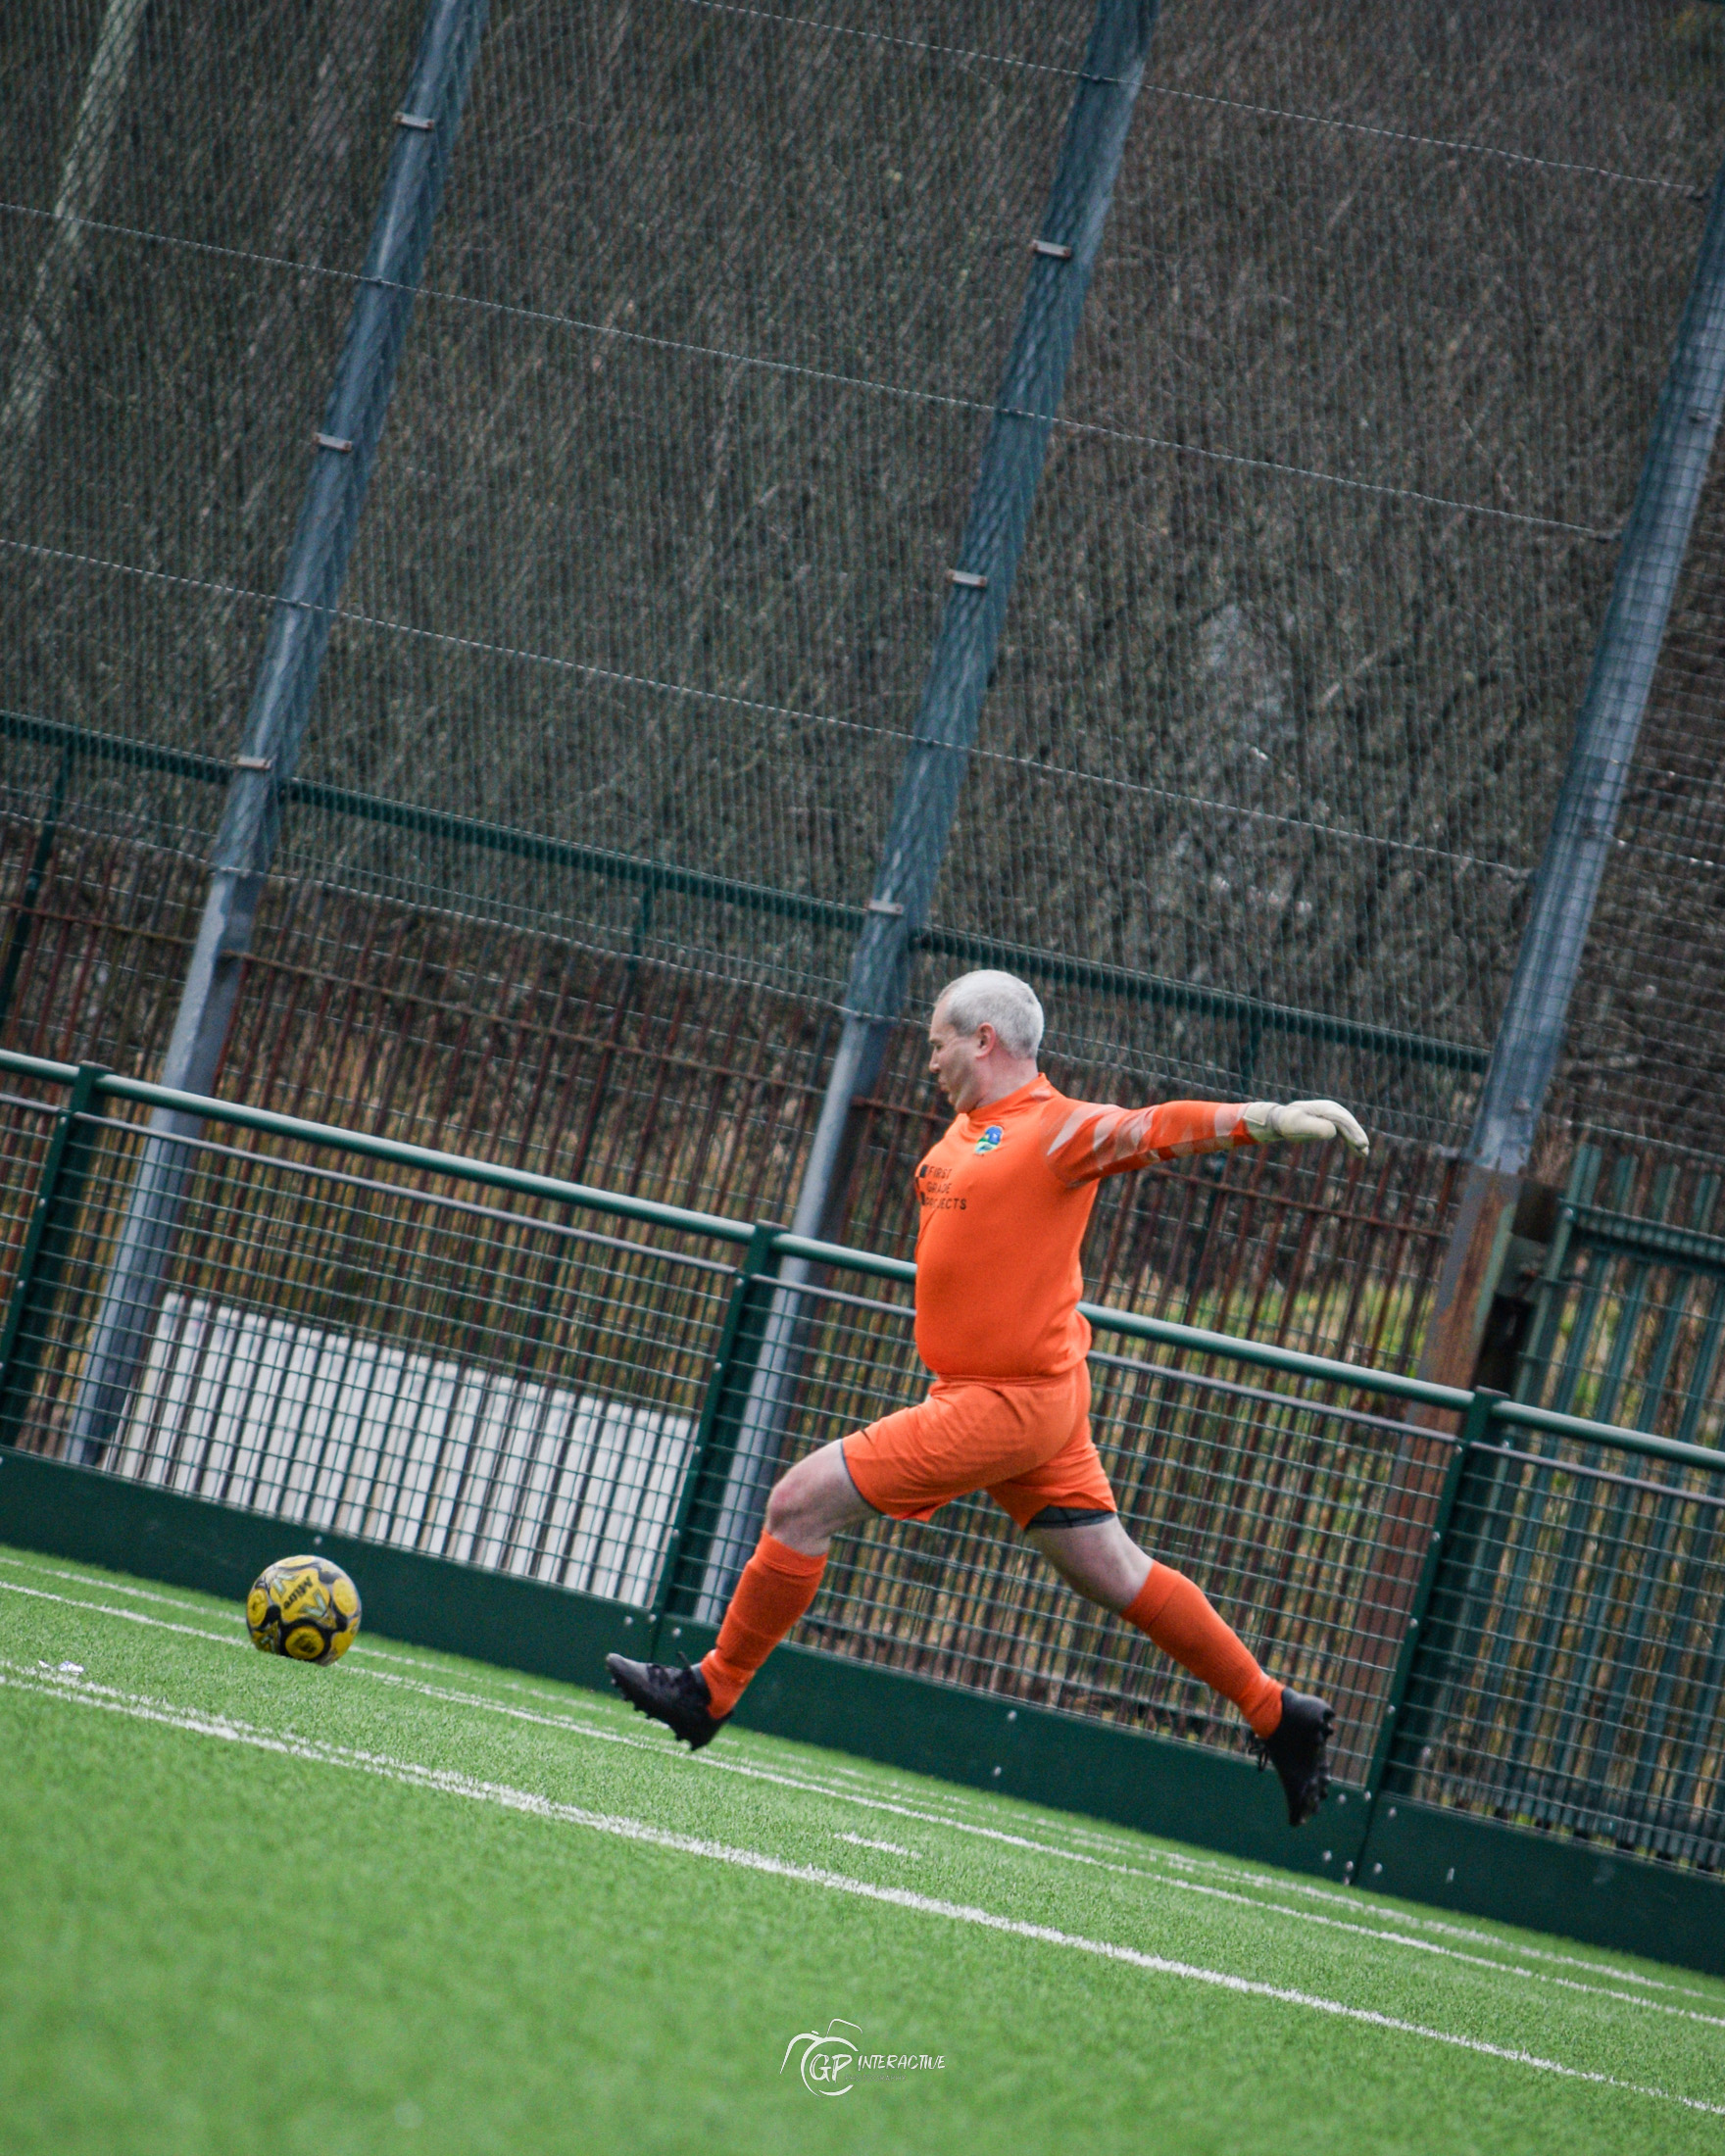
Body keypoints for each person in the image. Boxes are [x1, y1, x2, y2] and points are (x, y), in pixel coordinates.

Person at [608, 969, 1369, 1825]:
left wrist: (1265, 1120)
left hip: (1007, 1404)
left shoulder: (1055, 1129)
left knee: (795, 1506)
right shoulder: (956, 1139)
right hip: (1028, 1404)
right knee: (1116, 1572)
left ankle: (711, 1691)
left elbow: (1152, 1129)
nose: (927, 1059)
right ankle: (1278, 1711)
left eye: (937, 1041)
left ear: (984, 1040)